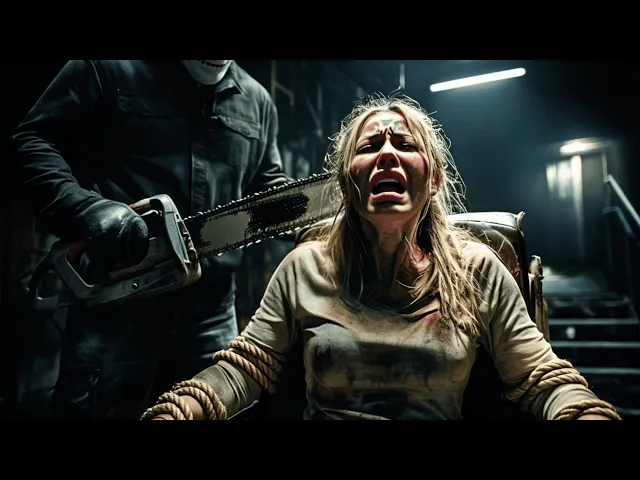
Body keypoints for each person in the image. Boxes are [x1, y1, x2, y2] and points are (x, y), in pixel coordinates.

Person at [142, 93, 621, 421]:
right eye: (370, 146)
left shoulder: (477, 269)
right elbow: (246, 367)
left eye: (404, 144)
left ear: (433, 179)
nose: (386, 154)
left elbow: (541, 378)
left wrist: (585, 412)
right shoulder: (305, 267)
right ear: (347, 182)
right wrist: (184, 408)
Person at [9, 60, 294, 420]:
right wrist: (84, 209)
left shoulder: (256, 100)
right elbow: (33, 141)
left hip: (210, 309)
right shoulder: (109, 67)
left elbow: (266, 182)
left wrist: (306, 218)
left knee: (208, 408)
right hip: (118, 305)